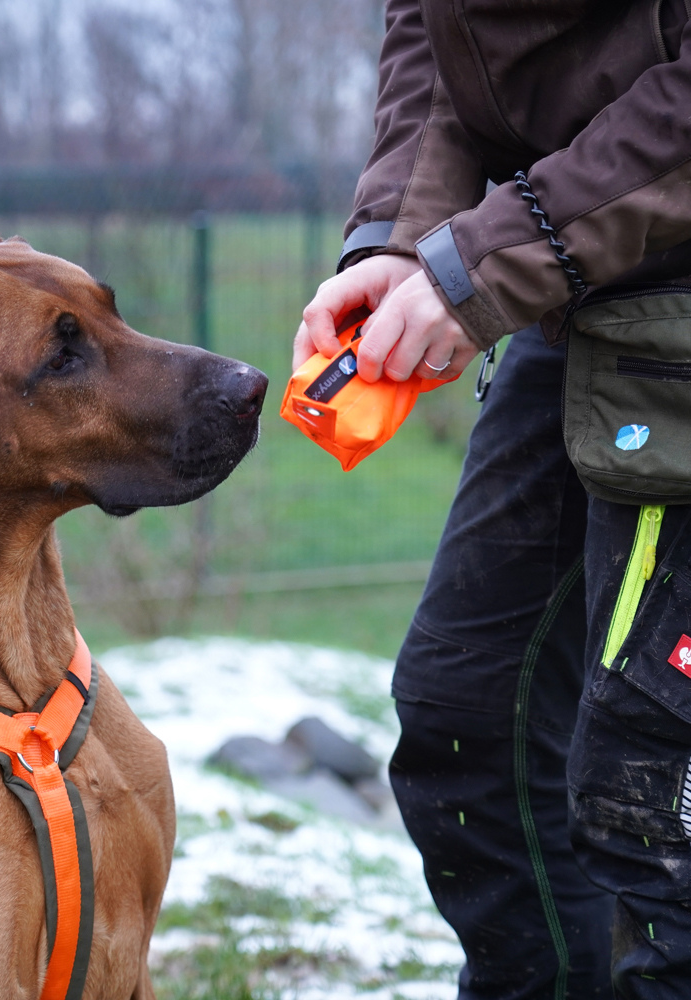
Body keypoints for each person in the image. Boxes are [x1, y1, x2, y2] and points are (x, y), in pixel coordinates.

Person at [293, 2, 691, 998]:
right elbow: (440, 30)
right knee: (470, 720)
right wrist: (403, 233)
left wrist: (487, 259)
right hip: (591, 295)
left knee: (654, 791)